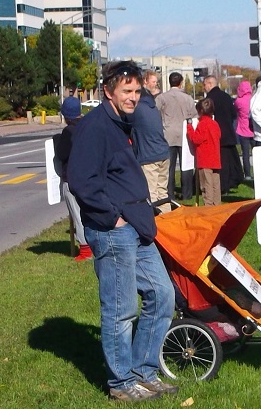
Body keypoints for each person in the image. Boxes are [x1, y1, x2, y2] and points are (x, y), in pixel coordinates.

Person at [68, 61, 177, 402]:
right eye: (126, 91)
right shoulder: (95, 127)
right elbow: (81, 181)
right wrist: (112, 218)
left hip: (138, 224)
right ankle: (121, 383)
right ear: (109, 91)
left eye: (137, 91)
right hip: (114, 231)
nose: (133, 97)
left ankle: (144, 372)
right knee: (120, 309)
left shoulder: (124, 122)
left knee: (163, 295)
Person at [54, 96, 91, 261]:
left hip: (72, 178)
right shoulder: (89, 127)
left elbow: (62, 154)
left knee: (77, 214)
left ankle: (85, 250)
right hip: (90, 176)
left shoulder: (68, 132)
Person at [133, 71, 171, 212]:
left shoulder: (137, 109)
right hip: (163, 152)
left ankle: (156, 226)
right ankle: (168, 221)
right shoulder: (152, 107)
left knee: (151, 194)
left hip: (149, 155)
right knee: (163, 192)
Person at [156, 71, 197, 201]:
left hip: (167, 134)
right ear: (181, 83)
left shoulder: (161, 98)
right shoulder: (188, 98)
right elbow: (194, 116)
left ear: (169, 82)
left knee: (169, 167)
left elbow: (155, 114)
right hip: (185, 134)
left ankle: (169, 194)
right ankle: (187, 194)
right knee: (186, 165)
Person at [203, 75, 242, 193]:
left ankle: (222, 186)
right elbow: (233, 115)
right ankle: (230, 182)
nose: (204, 87)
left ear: (210, 84)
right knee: (229, 162)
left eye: (204, 85)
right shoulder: (226, 97)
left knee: (220, 164)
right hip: (228, 133)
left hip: (216, 135)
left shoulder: (209, 100)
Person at [186, 98, 222, 206]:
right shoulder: (215, 124)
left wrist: (189, 127)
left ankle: (208, 207)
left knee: (207, 186)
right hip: (215, 159)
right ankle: (217, 207)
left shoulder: (202, 124)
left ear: (200, 111)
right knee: (216, 185)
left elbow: (196, 139)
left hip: (205, 160)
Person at [233, 80, 254, 180]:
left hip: (243, 130)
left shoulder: (238, 101)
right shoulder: (254, 99)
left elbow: (236, 111)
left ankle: (248, 174)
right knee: (257, 153)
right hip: (254, 130)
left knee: (245, 154)